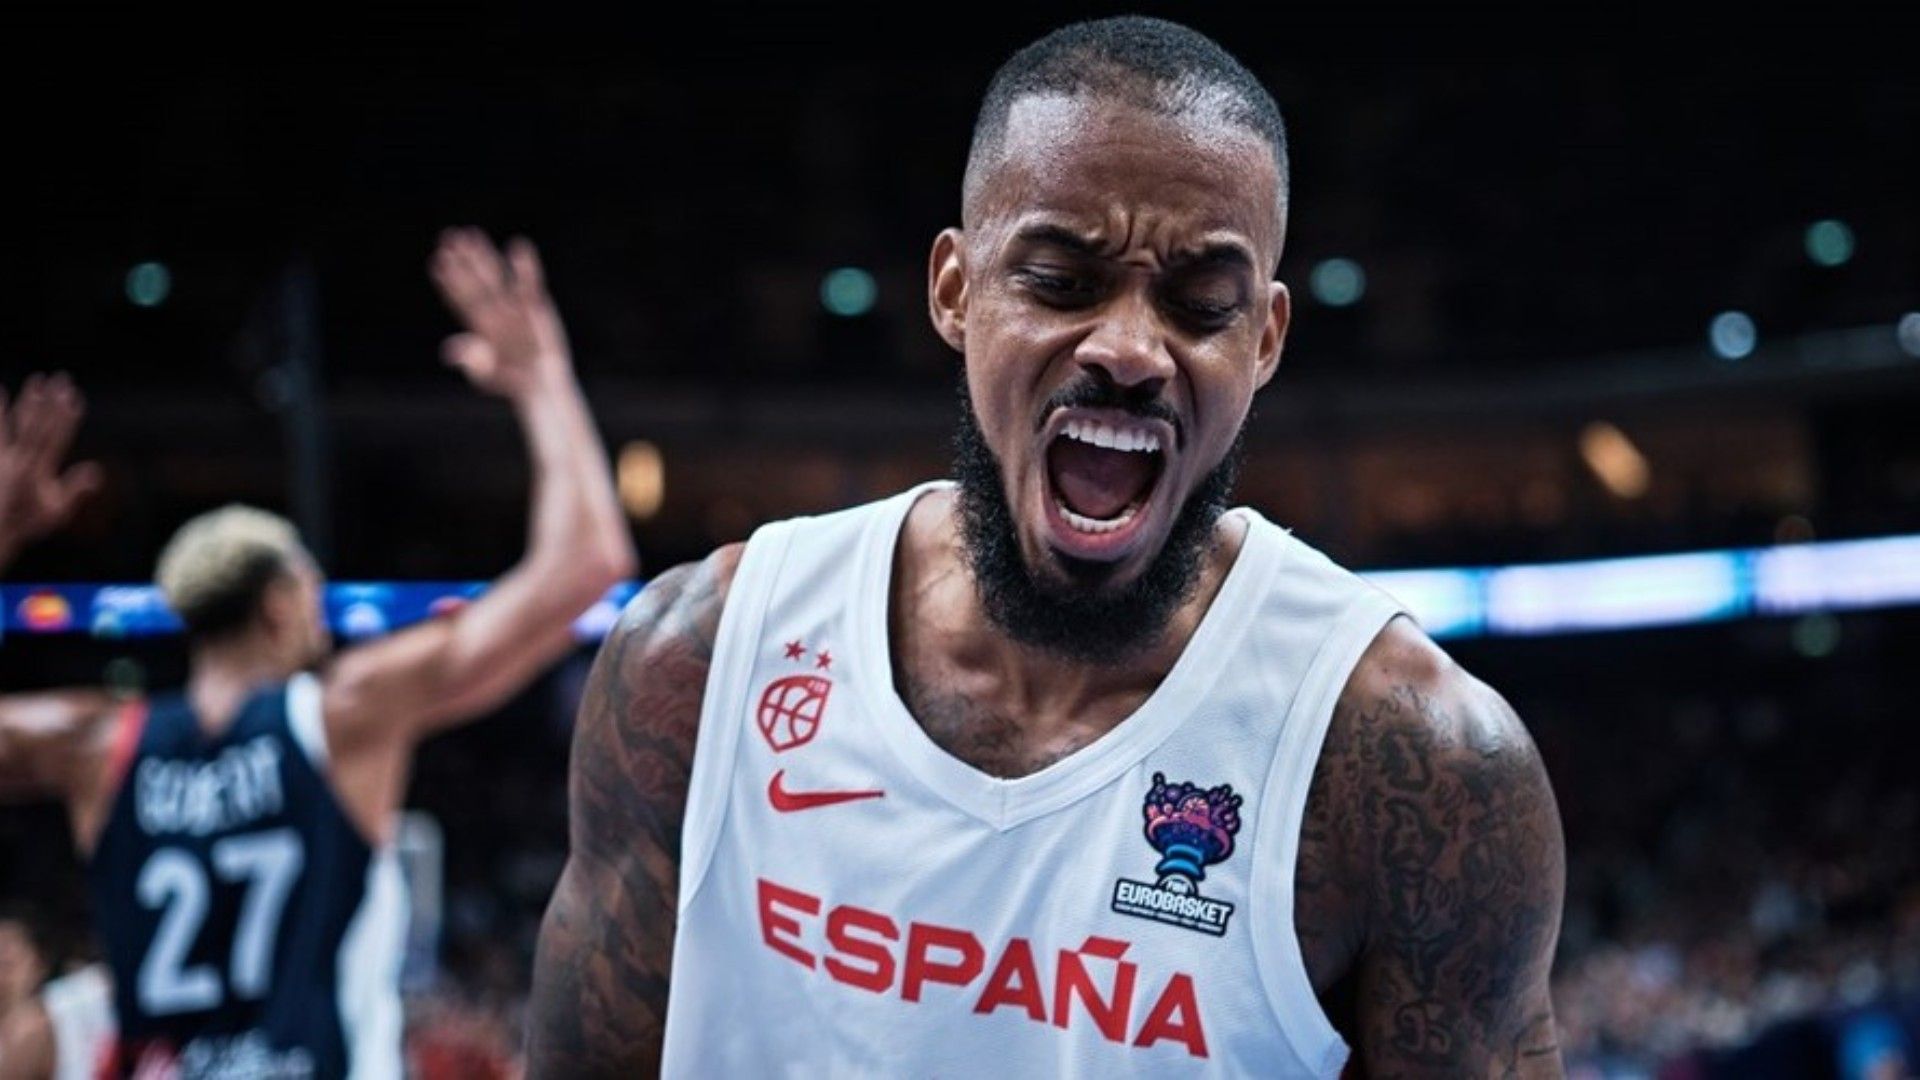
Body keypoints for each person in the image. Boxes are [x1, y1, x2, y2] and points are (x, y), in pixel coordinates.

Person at [526, 15, 1565, 1079]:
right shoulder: (699, 661)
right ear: (954, 290)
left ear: (1264, 339)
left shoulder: (1414, 764)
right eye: (1062, 282)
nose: (1129, 348)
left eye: (1200, 303)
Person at [0, 228, 636, 1077]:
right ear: (279, 603)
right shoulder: (338, 716)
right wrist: (541, 376)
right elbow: (586, 563)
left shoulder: (96, 746)